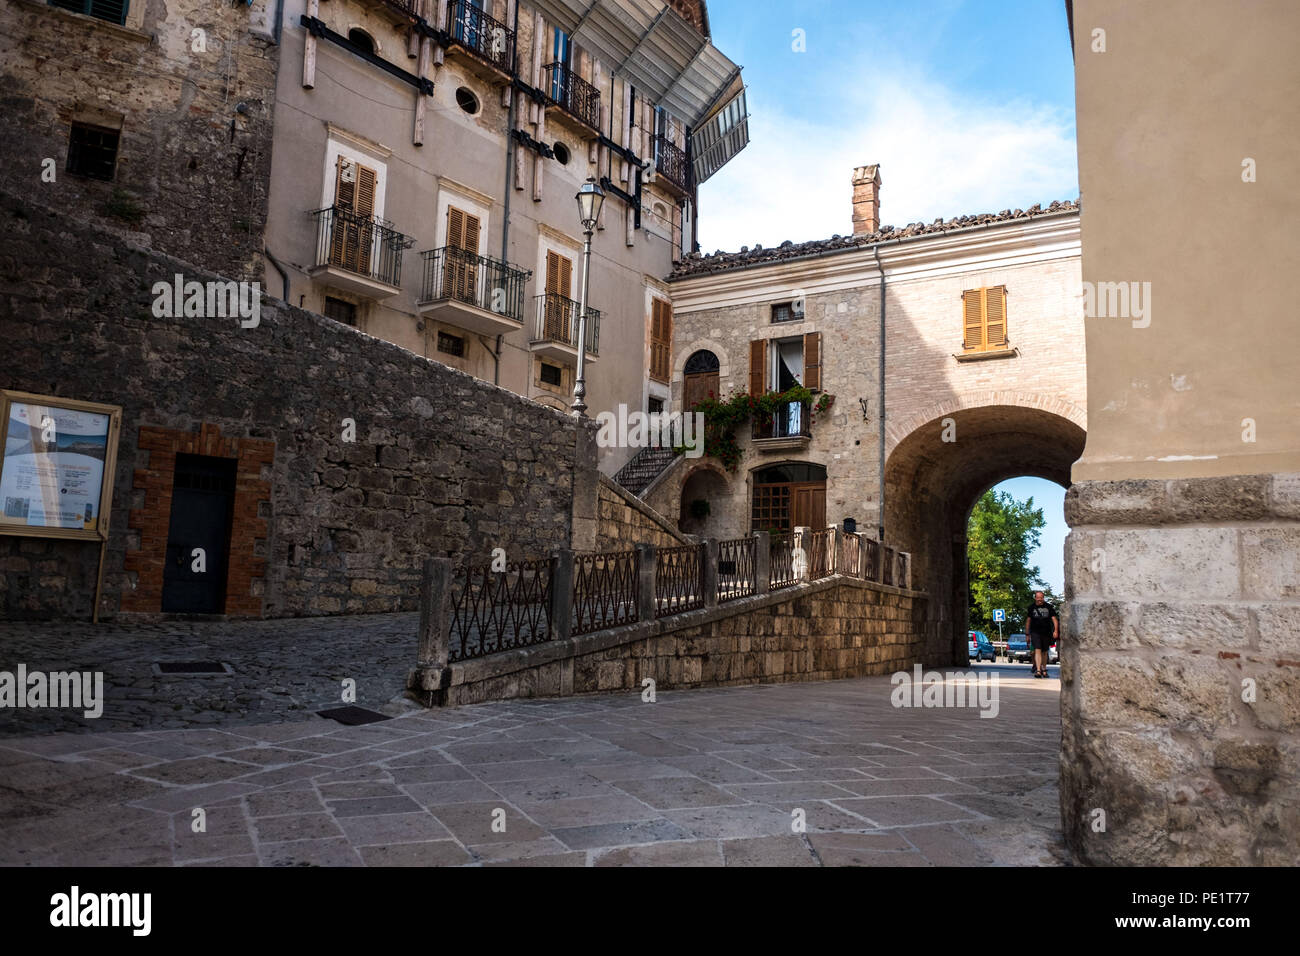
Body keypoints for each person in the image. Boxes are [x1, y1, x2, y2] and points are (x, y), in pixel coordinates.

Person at [1024, 590, 1059, 678]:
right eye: (1038, 598)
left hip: (1046, 632)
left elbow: (1054, 619)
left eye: (1041, 598)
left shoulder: (1049, 607)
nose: (1040, 600)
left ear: (1043, 598)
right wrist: (1027, 634)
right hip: (1035, 632)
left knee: (1044, 652)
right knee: (1037, 649)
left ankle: (1044, 669)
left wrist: (1056, 630)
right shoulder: (1031, 607)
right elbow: (1028, 621)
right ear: (1035, 598)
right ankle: (1038, 670)